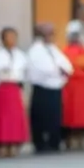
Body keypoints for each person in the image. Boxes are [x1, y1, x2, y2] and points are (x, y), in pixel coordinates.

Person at [27, 24, 73, 154]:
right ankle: (40, 143)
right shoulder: (35, 50)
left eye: (52, 34)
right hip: (42, 87)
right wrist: (57, 70)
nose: (51, 37)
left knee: (55, 116)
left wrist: (62, 70)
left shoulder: (53, 48)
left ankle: (54, 142)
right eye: (48, 34)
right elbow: (43, 68)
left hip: (55, 87)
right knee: (40, 117)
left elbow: (66, 65)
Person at [0, 27, 29, 158]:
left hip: (15, 88)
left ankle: (14, 144)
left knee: (16, 118)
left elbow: (23, 72)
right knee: (2, 118)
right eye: (9, 36)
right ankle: (2, 145)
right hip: (2, 88)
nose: (12, 39)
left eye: (14, 36)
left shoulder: (21, 55)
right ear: (3, 39)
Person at [62, 27, 84, 150]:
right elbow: (68, 67)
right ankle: (71, 138)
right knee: (71, 113)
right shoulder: (64, 51)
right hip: (71, 87)